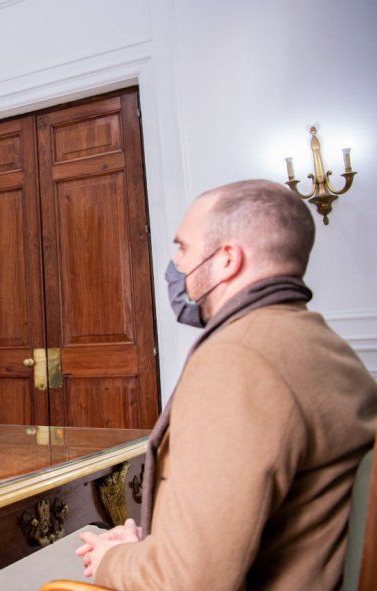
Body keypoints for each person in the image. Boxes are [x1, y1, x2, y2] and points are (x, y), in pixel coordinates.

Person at [77, 180, 377, 589]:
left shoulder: (238, 361)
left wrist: (114, 558)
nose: (176, 266)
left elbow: (187, 583)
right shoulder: (327, 348)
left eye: (182, 248)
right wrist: (145, 548)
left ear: (227, 260)